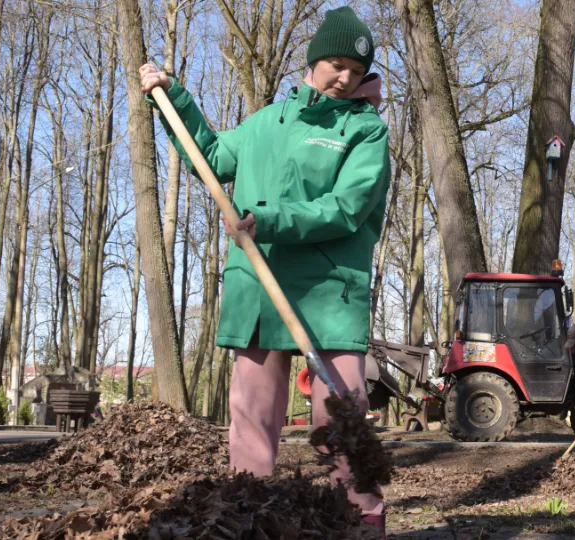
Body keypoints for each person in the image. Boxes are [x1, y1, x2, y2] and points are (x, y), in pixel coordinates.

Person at [140, 6, 389, 532]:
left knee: (339, 420)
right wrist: (173, 98)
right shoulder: (265, 122)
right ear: (316, 58)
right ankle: (246, 518)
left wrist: (269, 221)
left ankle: (362, 520)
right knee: (251, 418)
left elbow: (347, 207)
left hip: (328, 289)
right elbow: (207, 154)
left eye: (355, 70)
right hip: (258, 283)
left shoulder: (365, 131)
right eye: (336, 64)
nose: (344, 78)